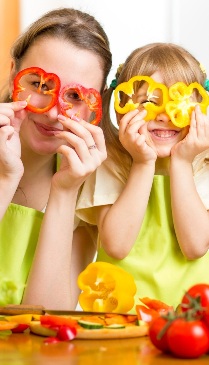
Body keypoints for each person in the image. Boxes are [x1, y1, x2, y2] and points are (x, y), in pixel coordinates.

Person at [76, 42, 209, 309]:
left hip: (191, 317)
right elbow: (116, 245)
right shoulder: (108, 160)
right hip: (118, 315)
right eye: (149, 101)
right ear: (122, 107)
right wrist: (142, 162)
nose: (164, 116)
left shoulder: (203, 163)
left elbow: (195, 246)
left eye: (178, 102)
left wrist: (181, 163)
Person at [0, 7, 112, 309]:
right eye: (39, 85)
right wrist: (5, 179)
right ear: (14, 75)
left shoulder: (90, 196)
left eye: (75, 96)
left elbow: (46, 321)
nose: (52, 112)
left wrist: (64, 192)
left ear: (96, 103)